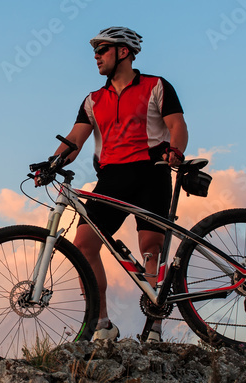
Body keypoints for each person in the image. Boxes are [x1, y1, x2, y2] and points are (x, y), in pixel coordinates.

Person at [43, 26, 188, 342]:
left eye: (102, 49)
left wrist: (175, 150)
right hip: (111, 179)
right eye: (94, 51)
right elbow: (75, 139)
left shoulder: (156, 86)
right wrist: (51, 163)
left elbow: (177, 125)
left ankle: (155, 328)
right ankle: (101, 324)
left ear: (124, 51)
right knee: (83, 246)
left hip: (152, 173)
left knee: (151, 249)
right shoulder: (94, 100)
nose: (95, 56)